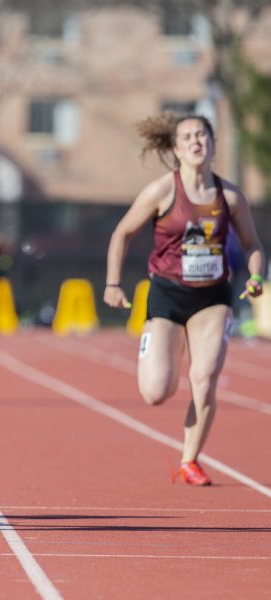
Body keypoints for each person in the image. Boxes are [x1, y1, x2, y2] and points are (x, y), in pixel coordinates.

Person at [105, 113, 265, 486]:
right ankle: (162, 348)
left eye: (202, 135)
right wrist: (113, 283)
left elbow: (253, 244)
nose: (196, 142)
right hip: (167, 294)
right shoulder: (162, 191)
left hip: (213, 297)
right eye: (188, 137)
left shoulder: (229, 196)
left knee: (205, 378)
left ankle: (189, 460)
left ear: (212, 145)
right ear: (176, 149)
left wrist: (256, 276)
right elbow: (122, 233)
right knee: (156, 392)